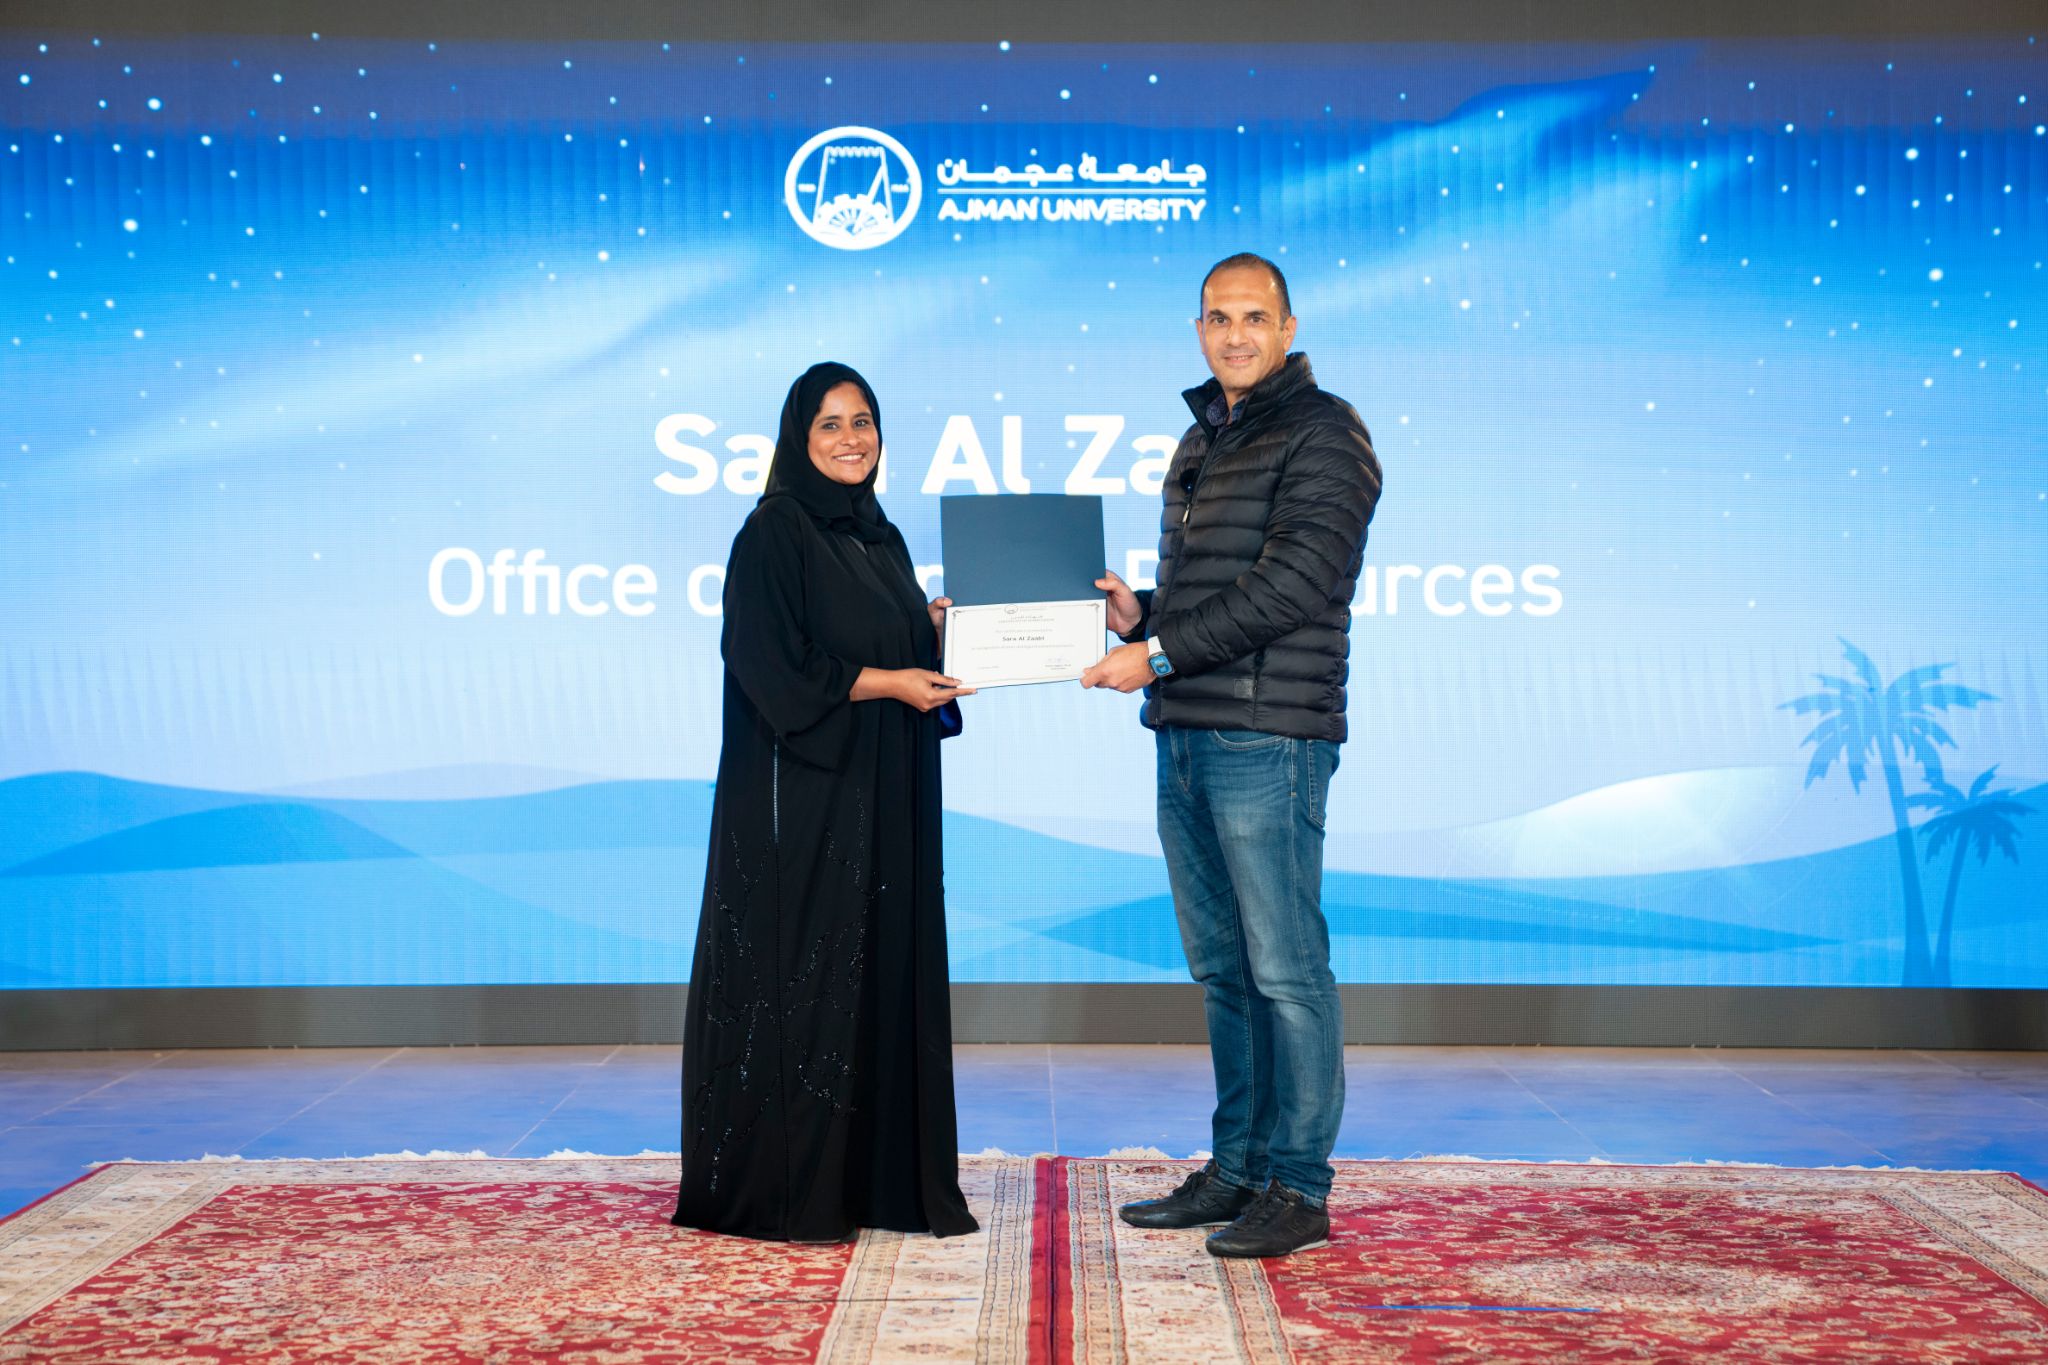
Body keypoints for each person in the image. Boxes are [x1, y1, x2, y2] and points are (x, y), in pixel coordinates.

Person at [1081, 253, 1381, 1258]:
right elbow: (1217, 590)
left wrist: (1157, 651)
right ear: (1198, 327)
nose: (1235, 334)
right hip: (1186, 728)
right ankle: (1240, 1168)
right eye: (1218, 317)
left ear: (1289, 328)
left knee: (1285, 970)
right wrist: (1143, 615)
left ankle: (1298, 1185)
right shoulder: (1204, 434)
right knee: (1224, 970)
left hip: (1268, 738)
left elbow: (1294, 584)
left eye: (1255, 317)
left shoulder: (1324, 431)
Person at [673, 362, 979, 1243]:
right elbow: (772, 663)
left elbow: (879, 644)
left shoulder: (880, 536)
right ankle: (790, 1189)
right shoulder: (775, 530)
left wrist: (931, 632)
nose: (852, 439)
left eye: (863, 421)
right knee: (805, 981)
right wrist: (890, 677)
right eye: (830, 425)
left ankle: (874, 1183)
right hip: (804, 803)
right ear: (797, 439)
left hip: (881, 793)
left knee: (877, 971)